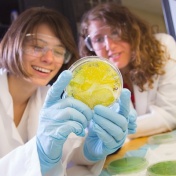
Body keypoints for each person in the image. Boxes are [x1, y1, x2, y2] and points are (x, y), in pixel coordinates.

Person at [0, 6, 136, 176]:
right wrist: (41, 155)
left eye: (58, 51)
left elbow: (68, 155)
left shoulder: (48, 99)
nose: (49, 59)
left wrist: (90, 151)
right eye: (37, 46)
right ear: (12, 42)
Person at [78, 2, 176, 139]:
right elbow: (94, 128)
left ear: (131, 30)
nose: (109, 46)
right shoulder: (95, 77)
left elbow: (170, 115)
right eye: (99, 39)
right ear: (91, 47)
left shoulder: (162, 47)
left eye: (115, 32)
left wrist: (118, 131)